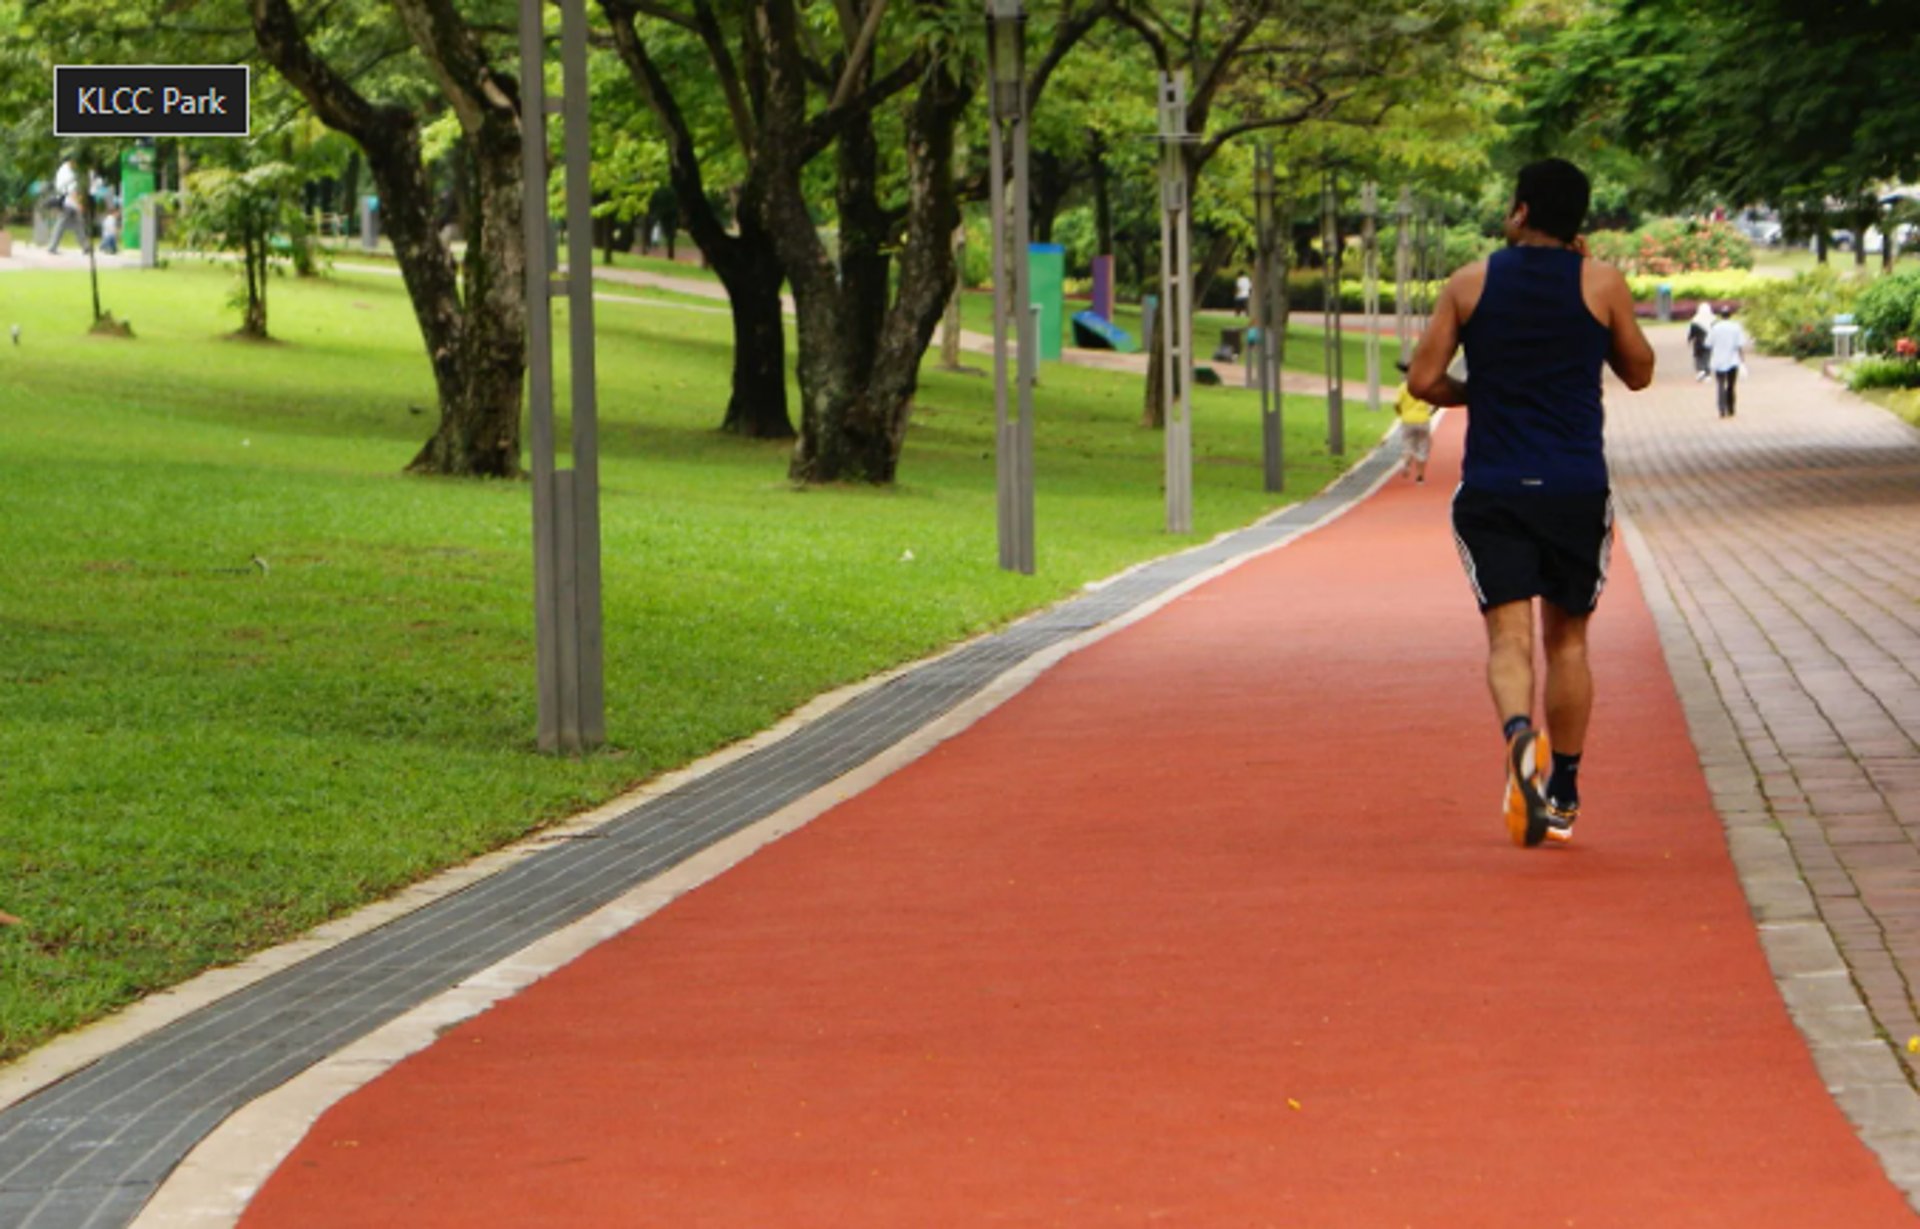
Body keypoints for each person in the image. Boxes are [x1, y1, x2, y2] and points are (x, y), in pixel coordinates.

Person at [1406, 157, 1655, 848]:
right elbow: (1639, 371)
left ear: (1519, 212)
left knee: (1508, 638)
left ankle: (1521, 735)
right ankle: (1567, 788)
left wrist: (1478, 391)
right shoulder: (1600, 282)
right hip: (1575, 486)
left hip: (1495, 485)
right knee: (1569, 638)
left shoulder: (1469, 282)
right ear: (1578, 221)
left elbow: (1425, 379)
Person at [1393, 357, 1433, 483]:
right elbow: (1434, 402)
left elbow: (1396, 405)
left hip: (1407, 419)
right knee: (1423, 447)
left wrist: (1400, 414)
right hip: (1423, 419)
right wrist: (1430, 413)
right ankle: (1420, 477)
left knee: (1408, 445)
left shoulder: (1402, 388)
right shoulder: (1424, 386)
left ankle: (1406, 463)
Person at [1706, 304, 1747, 418]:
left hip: (1718, 360)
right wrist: (1742, 359)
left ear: (1720, 315)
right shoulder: (1736, 327)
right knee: (1731, 385)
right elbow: (1740, 344)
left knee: (1720, 384)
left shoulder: (1715, 327)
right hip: (1733, 360)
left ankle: (1721, 409)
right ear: (1730, 315)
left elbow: (1708, 343)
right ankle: (1731, 408)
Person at [45, 159, 89, 256]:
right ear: (72, 161)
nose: (76, 165)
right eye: (75, 162)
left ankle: (85, 247)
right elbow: (72, 191)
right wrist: (79, 204)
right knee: (63, 224)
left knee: (77, 224)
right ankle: (52, 246)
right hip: (69, 203)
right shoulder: (69, 173)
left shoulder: (62, 170)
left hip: (67, 202)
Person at [1686, 301, 1715, 381]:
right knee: (1707, 357)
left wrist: (1689, 340)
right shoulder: (1713, 319)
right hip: (1709, 341)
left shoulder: (1695, 319)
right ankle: (1707, 373)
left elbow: (1691, 332)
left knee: (1698, 356)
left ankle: (1700, 370)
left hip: (1698, 342)